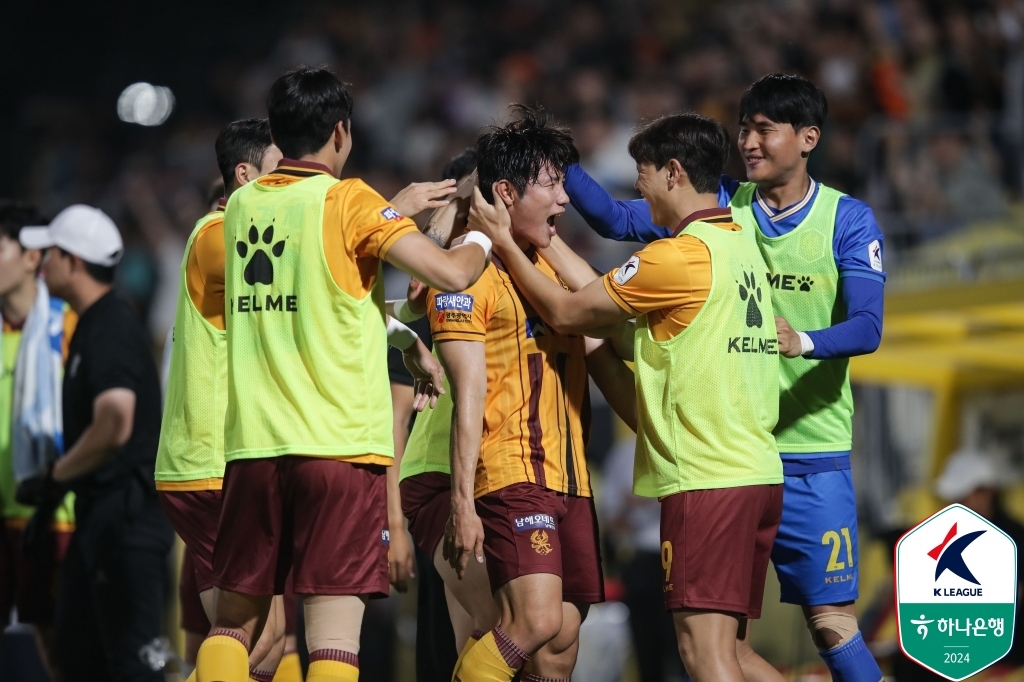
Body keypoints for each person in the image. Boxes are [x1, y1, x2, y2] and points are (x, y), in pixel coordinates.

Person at [563, 74, 886, 681]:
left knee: (830, 623)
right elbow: (609, 215)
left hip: (811, 451)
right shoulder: (720, 209)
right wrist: (560, 160)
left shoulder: (847, 219)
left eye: (765, 129)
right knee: (720, 642)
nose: (749, 141)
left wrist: (804, 340)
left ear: (808, 137)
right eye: (744, 128)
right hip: (735, 447)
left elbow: (868, 327)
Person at [194, 65, 491, 682]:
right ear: (341, 132)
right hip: (335, 450)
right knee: (332, 642)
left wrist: (385, 217)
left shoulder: (243, 205)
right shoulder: (349, 200)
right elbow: (452, 275)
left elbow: (318, 281)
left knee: (231, 628)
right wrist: (485, 236)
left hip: (252, 447)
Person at [468, 112, 784, 682]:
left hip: (707, 477)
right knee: (733, 652)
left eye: (641, 174)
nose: (635, 190)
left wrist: (509, 248)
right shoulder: (740, 245)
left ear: (672, 173)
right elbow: (603, 325)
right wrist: (546, 246)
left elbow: (569, 310)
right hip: (755, 470)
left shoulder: (677, 257)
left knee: (702, 655)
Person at [442, 105, 605, 682]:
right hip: (511, 470)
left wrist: (523, 238)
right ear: (506, 192)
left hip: (573, 477)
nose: (565, 200)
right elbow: (466, 394)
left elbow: (608, 312)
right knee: (531, 622)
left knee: (558, 644)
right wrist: (462, 501)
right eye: (551, 184)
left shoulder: (550, 269)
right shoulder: (466, 272)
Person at [156, 118, 293, 682]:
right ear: (245, 175)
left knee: (268, 642)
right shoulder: (218, 235)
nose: (296, 184)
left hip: (233, 458)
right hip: (214, 461)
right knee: (256, 641)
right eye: (282, 171)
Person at [18, 204, 173, 682]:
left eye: (52, 252)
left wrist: (53, 477)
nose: (42, 261)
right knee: (80, 657)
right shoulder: (96, 323)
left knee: (135, 666)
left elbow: (115, 422)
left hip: (127, 529)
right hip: (104, 525)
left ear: (74, 262)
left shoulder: (111, 328)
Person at [393, 149, 479, 682]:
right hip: (438, 473)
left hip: (490, 469)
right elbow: (397, 413)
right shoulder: (439, 284)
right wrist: (392, 524)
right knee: (456, 636)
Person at [0, 202, 76, 678]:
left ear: (32, 257)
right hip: (0, 511)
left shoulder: (64, 328)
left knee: (58, 649)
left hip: (51, 517)